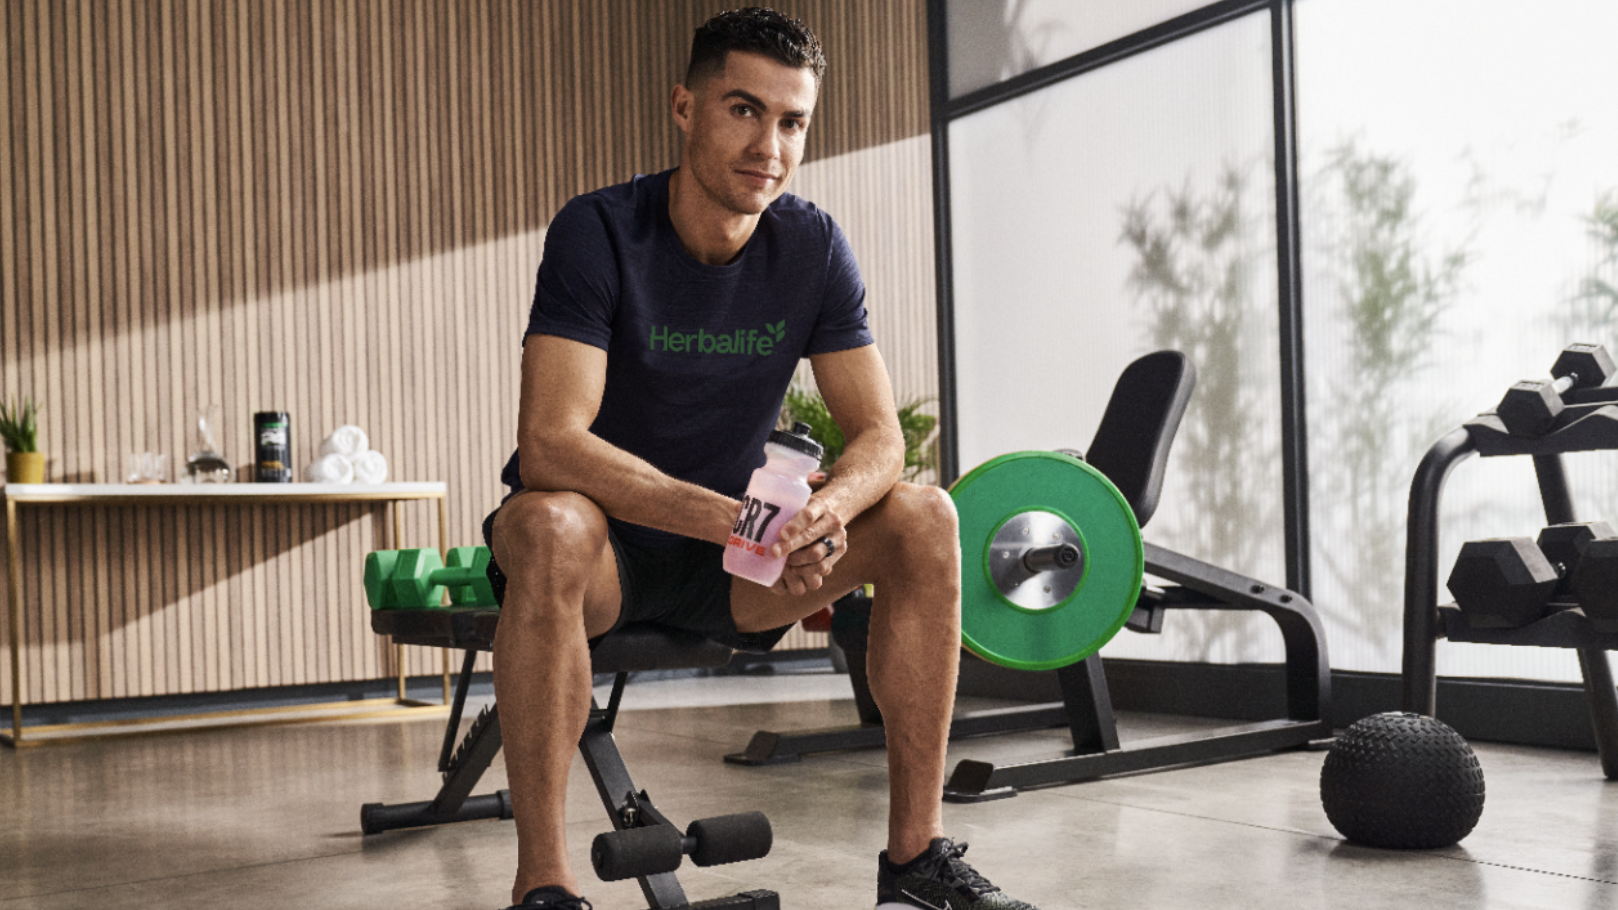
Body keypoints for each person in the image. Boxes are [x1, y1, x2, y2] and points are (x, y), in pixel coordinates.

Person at [484, 9, 1040, 910]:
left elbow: (880, 438)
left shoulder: (812, 246)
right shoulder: (600, 230)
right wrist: (736, 518)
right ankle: (543, 885)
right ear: (685, 108)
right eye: (744, 110)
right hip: (602, 560)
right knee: (550, 521)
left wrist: (824, 514)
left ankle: (914, 860)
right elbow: (551, 440)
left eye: (792, 122)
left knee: (923, 516)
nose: (769, 147)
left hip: (742, 566)